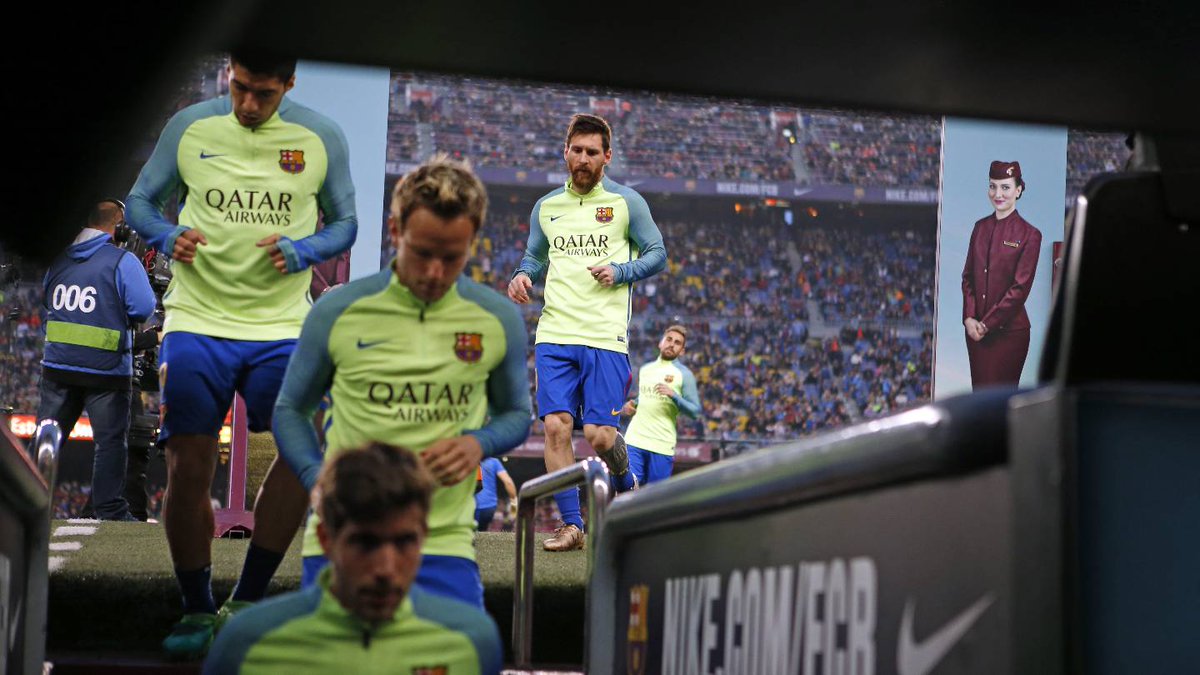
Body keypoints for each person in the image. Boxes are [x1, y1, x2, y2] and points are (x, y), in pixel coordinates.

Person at [126, 50, 358, 658]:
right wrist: (167, 233)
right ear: (229, 73)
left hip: (281, 325)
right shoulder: (190, 127)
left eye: (264, 93)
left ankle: (248, 599)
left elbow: (345, 224)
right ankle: (197, 606)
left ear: (290, 83)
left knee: (303, 448)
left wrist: (305, 250)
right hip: (197, 319)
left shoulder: (320, 137)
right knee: (188, 463)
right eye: (240, 88)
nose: (249, 104)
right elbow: (140, 202)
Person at [274, 156, 531, 608]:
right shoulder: (337, 310)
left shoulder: (497, 318)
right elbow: (290, 409)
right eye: (422, 253)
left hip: (444, 543)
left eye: (452, 258)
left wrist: (479, 442)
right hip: (346, 537)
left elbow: (517, 415)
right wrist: (315, 478)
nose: (435, 272)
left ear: (472, 241)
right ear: (395, 231)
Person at [507, 113, 667, 552]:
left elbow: (657, 253)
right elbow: (535, 256)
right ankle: (572, 525)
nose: (582, 158)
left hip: (604, 336)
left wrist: (621, 271)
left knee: (599, 436)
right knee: (556, 428)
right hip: (555, 333)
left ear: (607, 156)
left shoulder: (626, 203)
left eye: (592, 152)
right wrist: (522, 274)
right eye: (576, 150)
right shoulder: (546, 207)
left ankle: (624, 478)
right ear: (565, 152)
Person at [203, 442, 503, 675]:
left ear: (423, 536)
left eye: (404, 542)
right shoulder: (245, 645)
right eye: (365, 543)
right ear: (325, 539)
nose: (385, 568)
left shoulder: (472, 641)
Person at [33, 199, 155, 521]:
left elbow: (46, 300)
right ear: (120, 228)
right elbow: (143, 308)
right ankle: (109, 509)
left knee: (46, 439)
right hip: (106, 372)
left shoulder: (58, 258)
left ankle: (26, 506)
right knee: (110, 444)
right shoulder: (123, 261)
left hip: (57, 367)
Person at [961, 160, 1042, 389]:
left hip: (1009, 335)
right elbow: (968, 277)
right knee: (980, 397)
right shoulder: (979, 228)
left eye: (1005, 187)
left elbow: (1019, 289)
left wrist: (986, 324)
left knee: (1000, 401)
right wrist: (969, 318)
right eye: (993, 186)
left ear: (1018, 190)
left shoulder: (1030, 235)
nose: (998, 194)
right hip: (976, 333)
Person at [620, 325, 702, 485]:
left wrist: (674, 396)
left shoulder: (685, 375)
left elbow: (695, 411)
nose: (671, 344)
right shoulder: (645, 369)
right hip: (635, 439)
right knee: (629, 487)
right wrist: (633, 404)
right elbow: (645, 397)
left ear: (682, 351)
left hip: (662, 444)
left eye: (677, 343)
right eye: (669, 339)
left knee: (655, 494)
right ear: (660, 343)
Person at [475, 456, 517, 531]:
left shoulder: (466, 460)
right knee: (481, 531)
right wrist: (514, 507)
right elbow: (508, 482)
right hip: (489, 508)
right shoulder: (493, 461)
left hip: (470, 506)